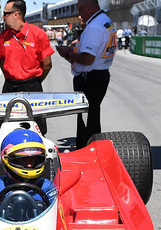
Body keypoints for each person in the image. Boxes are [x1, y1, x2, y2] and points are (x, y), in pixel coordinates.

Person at [56, 0, 116, 149]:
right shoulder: (104, 20)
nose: (79, 15)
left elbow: (88, 59)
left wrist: (68, 52)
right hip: (100, 74)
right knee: (92, 115)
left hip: (90, 78)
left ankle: (87, 150)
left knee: (86, 119)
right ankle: (92, 147)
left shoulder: (94, 27)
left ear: (89, 8)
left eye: (80, 10)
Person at [0, 0, 54, 134]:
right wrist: (12, 77)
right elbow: (2, 62)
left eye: (6, 14)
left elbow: (47, 64)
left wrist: (35, 81)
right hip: (10, 86)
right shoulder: (4, 36)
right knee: (4, 127)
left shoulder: (38, 34)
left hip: (32, 87)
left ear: (16, 14)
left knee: (38, 128)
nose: (3, 17)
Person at [0, 129, 57, 217]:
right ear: (7, 159)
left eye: (33, 159)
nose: (29, 165)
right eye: (24, 159)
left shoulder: (48, 188)